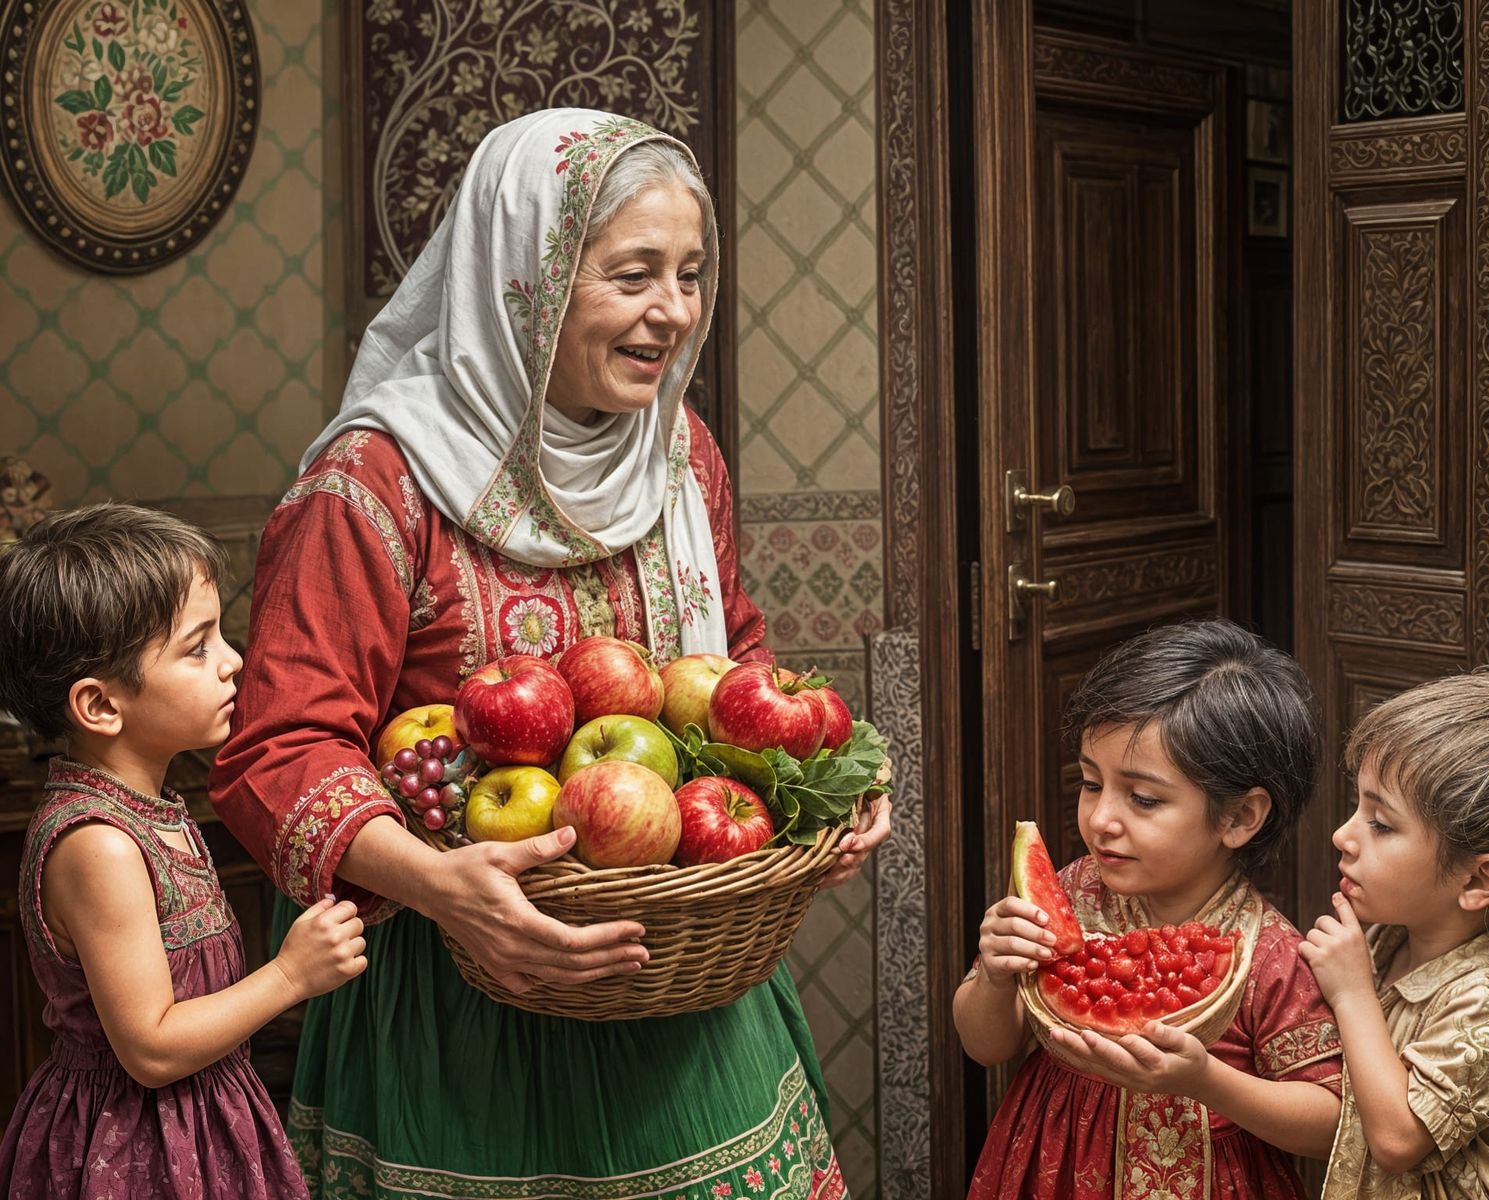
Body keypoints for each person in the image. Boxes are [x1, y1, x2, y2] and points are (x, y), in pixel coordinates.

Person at [209, 108, 891, 1199]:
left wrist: (813, 788)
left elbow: (736, 667)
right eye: (631, 275)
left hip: (678, 994)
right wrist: (445, 887)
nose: (671, 311)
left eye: (690, 273)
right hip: (457, 999)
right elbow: (277, 749)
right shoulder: (377, 484)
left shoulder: (679, 458)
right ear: (523, 279)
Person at [0, 503, 368, 1199]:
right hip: (136, 1150)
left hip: (198, 1125)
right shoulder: (99, 845)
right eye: (197, 647)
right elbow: (152, 1047)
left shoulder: (154, 809)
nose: (233, 661)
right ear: (100, 706)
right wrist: (290, 976)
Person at [955, 620, 1343, 1199]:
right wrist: (992, 975)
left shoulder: (1270, 954)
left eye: (1142, 798)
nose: (1101, 819)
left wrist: (1207, 1081)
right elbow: (985, 1046)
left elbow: (1332, 1122)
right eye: (1091, 783)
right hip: (1049, 1168)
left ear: (1239, 817)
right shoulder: (1069, 891)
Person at [1299, 667, 1489, 1196]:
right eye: (1358, 806)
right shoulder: (1387, 938)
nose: (1342, 835)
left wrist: (1350, 993)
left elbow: (1396, 1139)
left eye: (1382, 823)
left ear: (1479, 879)